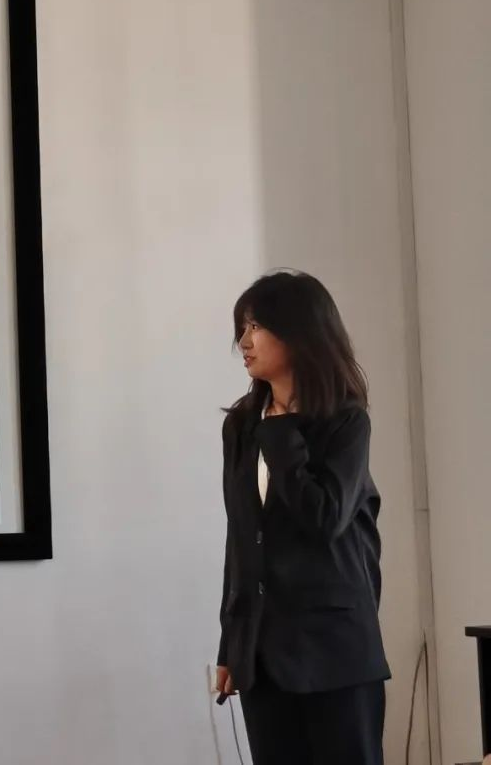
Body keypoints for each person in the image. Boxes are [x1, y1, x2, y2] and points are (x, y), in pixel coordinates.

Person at [214, 270, 391, 765]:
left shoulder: (346, 422)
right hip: (263, 657)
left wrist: (282, 433)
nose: (244, 342)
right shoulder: (241, 426)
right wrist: (232, 644)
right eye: (242, 328)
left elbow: (325, 517)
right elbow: (241, 539)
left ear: (298, 332)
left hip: (335, 653)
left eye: (256, 327)